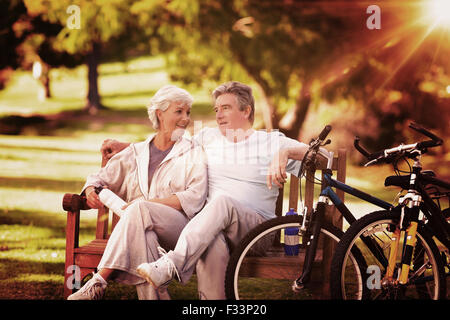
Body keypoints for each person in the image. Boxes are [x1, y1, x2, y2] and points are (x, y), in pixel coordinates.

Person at [103, 81, 328, 299]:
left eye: (226, 108)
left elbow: (322, 158)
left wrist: (285, 154)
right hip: (212, 229)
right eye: (217, 109)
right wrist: (125, 147)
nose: (219, 114)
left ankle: (172, 265)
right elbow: (167, 143)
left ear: (246, 111)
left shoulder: (270, 141)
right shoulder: (207, 138)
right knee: (211, 239)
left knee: (222, 202)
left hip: (256, 232)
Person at [67, 85, 208, 300]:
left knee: (141, 207)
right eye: (179, 111)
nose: (185, 118)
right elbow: (99, 177)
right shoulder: (136, 153)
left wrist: (151, 204)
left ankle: (99, 280)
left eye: (188, 112)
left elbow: (194, 196)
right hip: (142, 230)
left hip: (180, 232)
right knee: (146, 238)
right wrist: (89, 189)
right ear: (160, 113)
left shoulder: (193, 151)